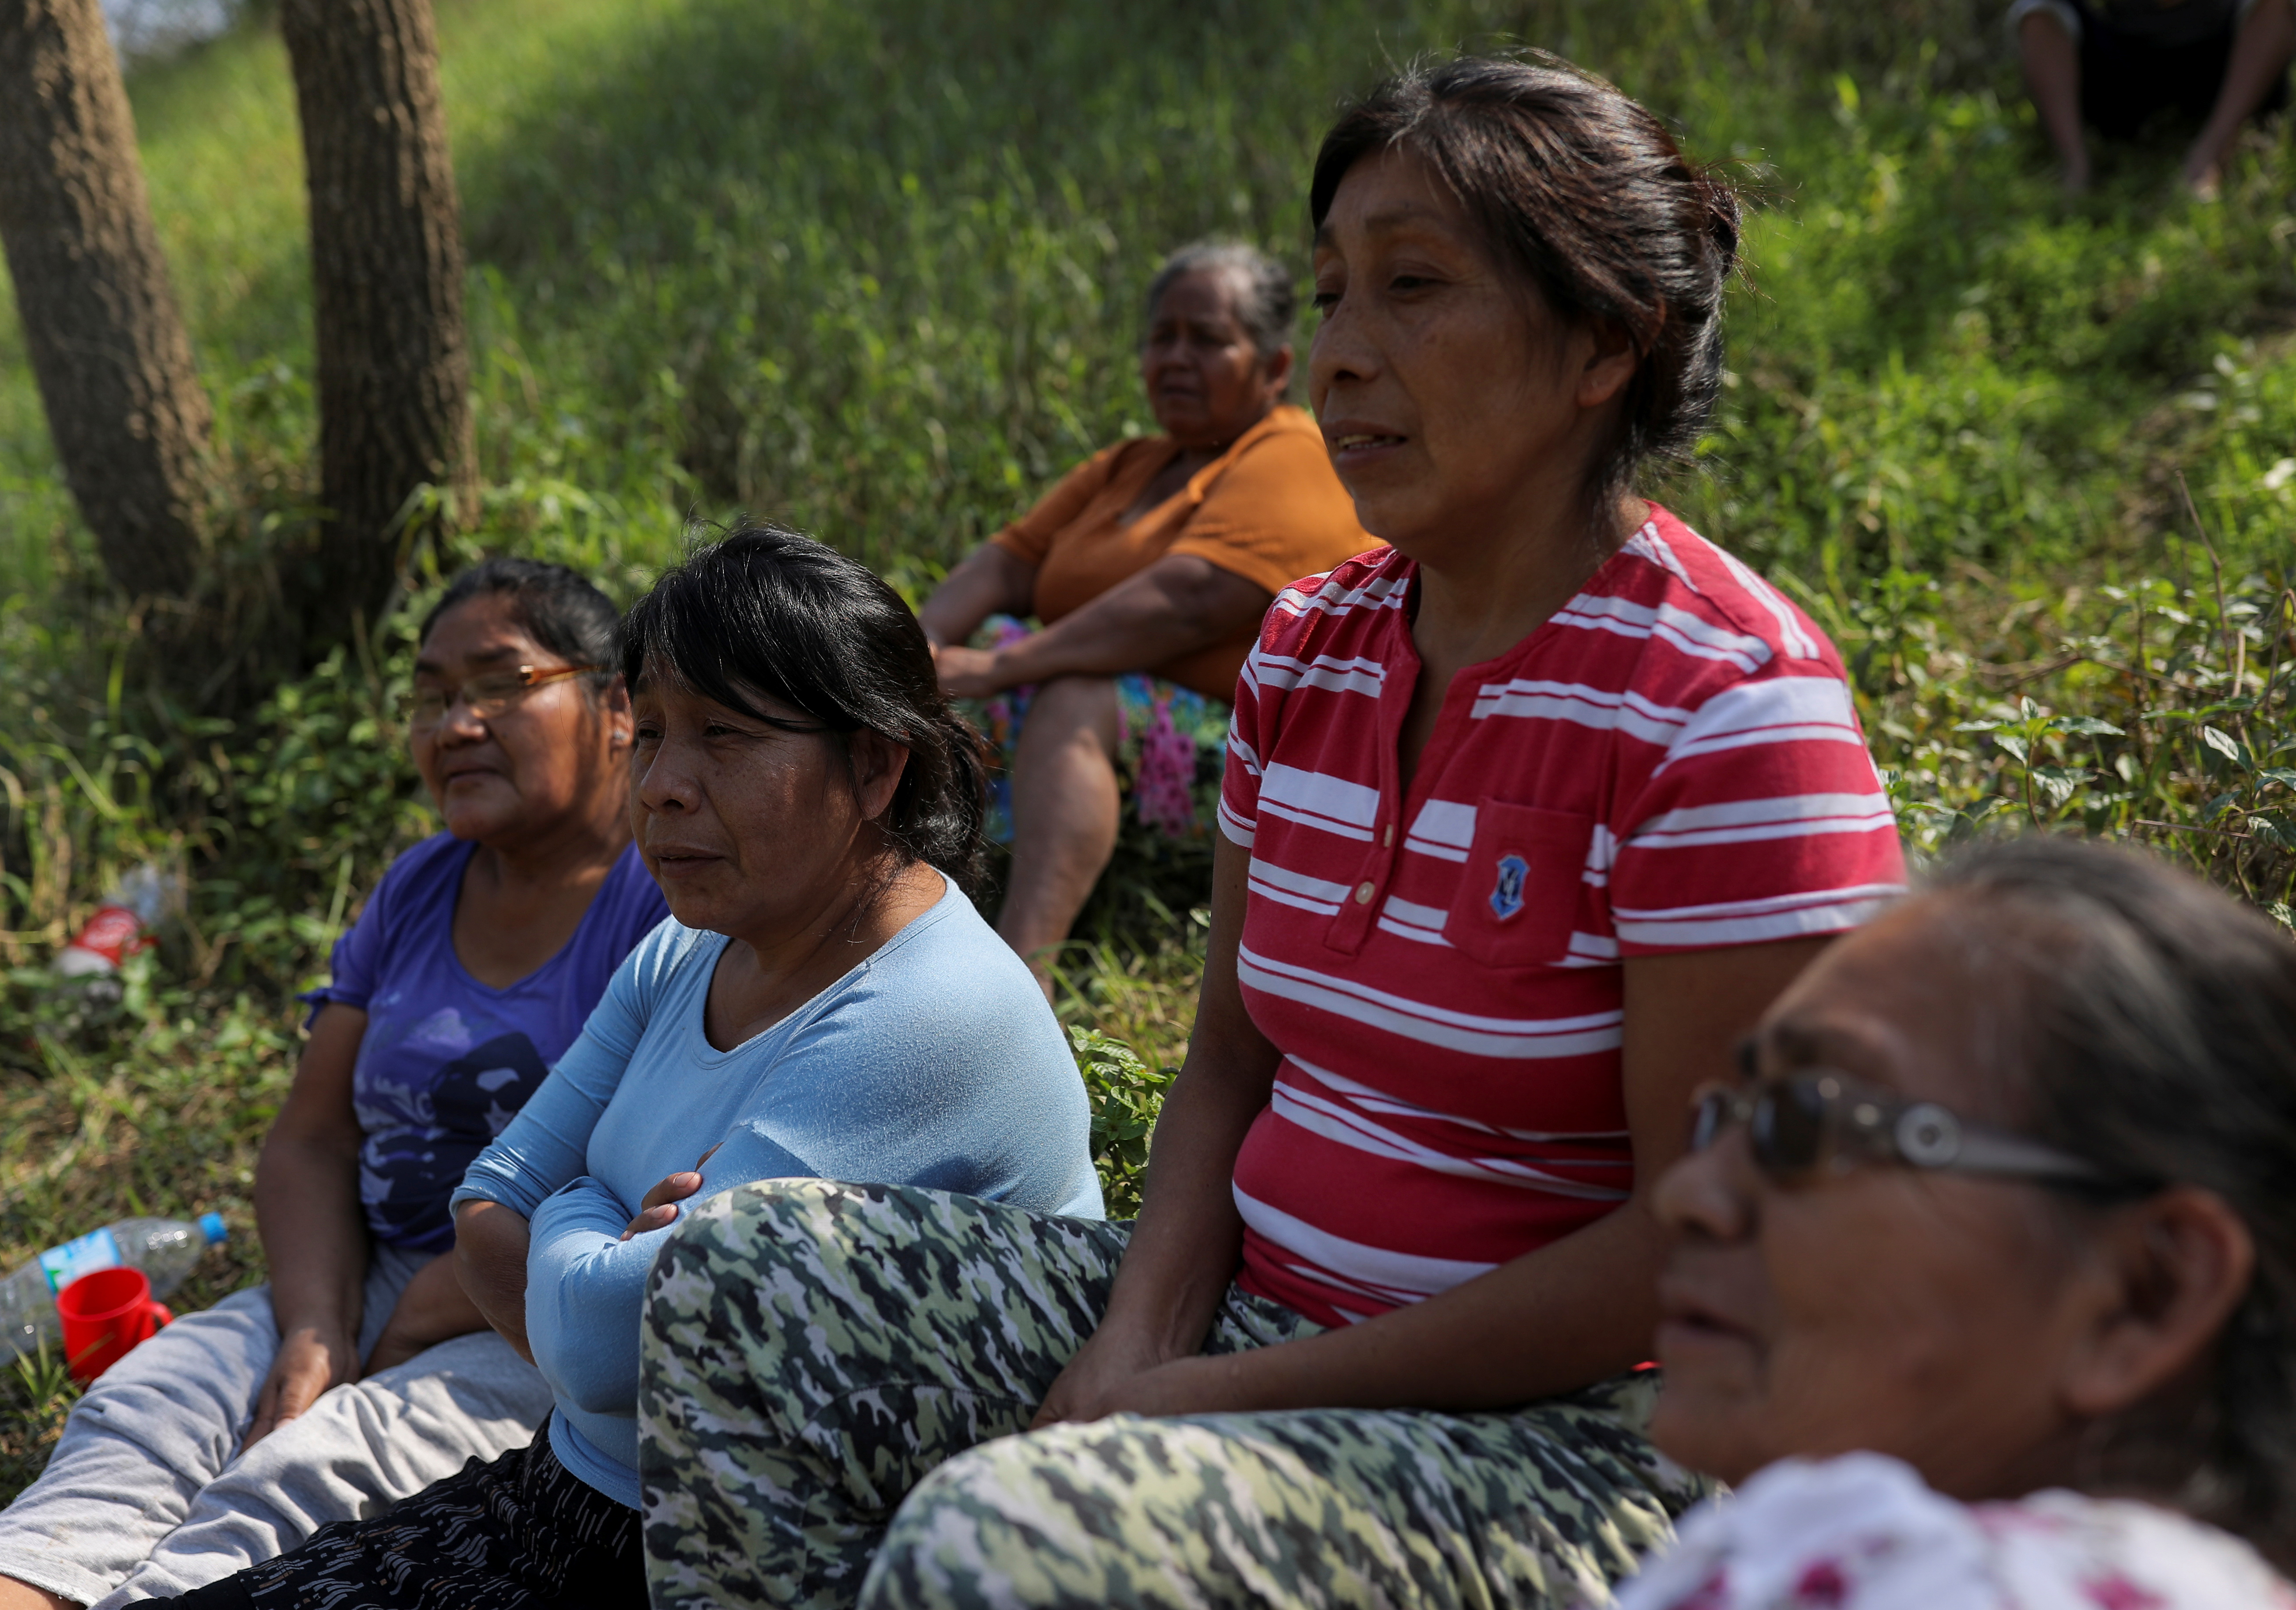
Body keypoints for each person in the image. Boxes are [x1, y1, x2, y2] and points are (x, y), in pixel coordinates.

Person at [639, 54, 1909, 1610]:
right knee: (738, 1270)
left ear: (1602, 341)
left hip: (1589, 1445)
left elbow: (1704, 1241)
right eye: (1332, 296)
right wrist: (1137, 1340)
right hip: (1258, 1323)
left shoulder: (1723, 706)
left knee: (1008, 1537)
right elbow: (1230, 1058)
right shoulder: (1314, 647)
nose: (1343, 357)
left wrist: (1208, 1399)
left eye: (1413, 288)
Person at [160, 524, 1103, 1610]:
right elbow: (485, 1208)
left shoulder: (926, 1012)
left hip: (741, 1560)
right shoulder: (692, 947)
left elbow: (609, 1346)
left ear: (875, 764)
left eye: (724, 736)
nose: (660, 786)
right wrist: (601, 1241)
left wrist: (566, 1210)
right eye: (651, 733)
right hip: (570, 1492)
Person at [0, 559, 670, 1610]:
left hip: (531, 1310)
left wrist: (426, 1312)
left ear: (616, 708)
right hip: (360, 1266)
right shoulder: (418, 888)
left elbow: (646, 1182)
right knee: (145, 1415)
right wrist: (318, 1327)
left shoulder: (665, 904)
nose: (454, 724)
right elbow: (313, 1136)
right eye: (430, 696)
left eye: (500, 684)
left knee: (306, 1476)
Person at [1616, 836, 2296, 1607]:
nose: (1688, 1192)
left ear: (2148, 1291)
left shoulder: (1967, 1584)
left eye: (1805, 1122)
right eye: (1725, 1119)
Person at [918, 240, 1373, 986]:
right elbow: (1008, 562)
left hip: (1257, 756)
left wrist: (1003, 666)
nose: (1176, 358)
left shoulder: (1293, 451)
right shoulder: (1133, 465)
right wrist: (924, 648)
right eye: (1163, 337)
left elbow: (1189, 600)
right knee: (918, 692)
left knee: (1077, 693)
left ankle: (1018, 981)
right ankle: (903, 923)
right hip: (1097, 738)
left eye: (1208, 339)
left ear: (1274, 367)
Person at [2010, 0, 2296, 195]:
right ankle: (2075, 165)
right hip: (2125, 63)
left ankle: (2213, 150)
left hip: (2218, 55)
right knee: (2036, 6)